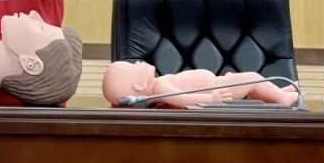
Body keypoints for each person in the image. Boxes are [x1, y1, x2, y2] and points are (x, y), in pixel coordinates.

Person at [102, 60, 299, 108]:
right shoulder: (160, 88)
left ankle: (278, 91)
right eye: (134, 66)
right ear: (138, 85)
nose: (138, 62)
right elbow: (182, 99)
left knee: (253, 85)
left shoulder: (157, 87)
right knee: (252, 79)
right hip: (218, 89)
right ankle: (283, 98)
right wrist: (210, 98)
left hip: (218, 84)